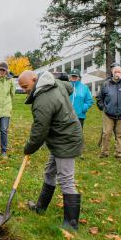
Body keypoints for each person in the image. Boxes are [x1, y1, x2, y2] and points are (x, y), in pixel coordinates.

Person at [18, 70, 83, 230]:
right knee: (49, 172)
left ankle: (71, 224)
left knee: (66, 180)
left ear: (35, 79)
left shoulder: (43, 100)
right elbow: (70, 87)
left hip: (66, 139)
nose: (25, 90)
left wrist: (28, 148)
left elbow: (39, 131)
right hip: (60, 137)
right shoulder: (55, 83)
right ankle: (40, 207)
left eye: (26, 87)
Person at [97, 65, 121, 158]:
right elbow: (99, 97)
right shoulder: (106, 83)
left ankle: (119, 154)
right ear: (112, 73)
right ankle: (104, 153)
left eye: (119, 72)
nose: (117, 74)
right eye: (115, 72)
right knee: (106, 134)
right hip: (108, 114)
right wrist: (103, 107)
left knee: (120, 135)